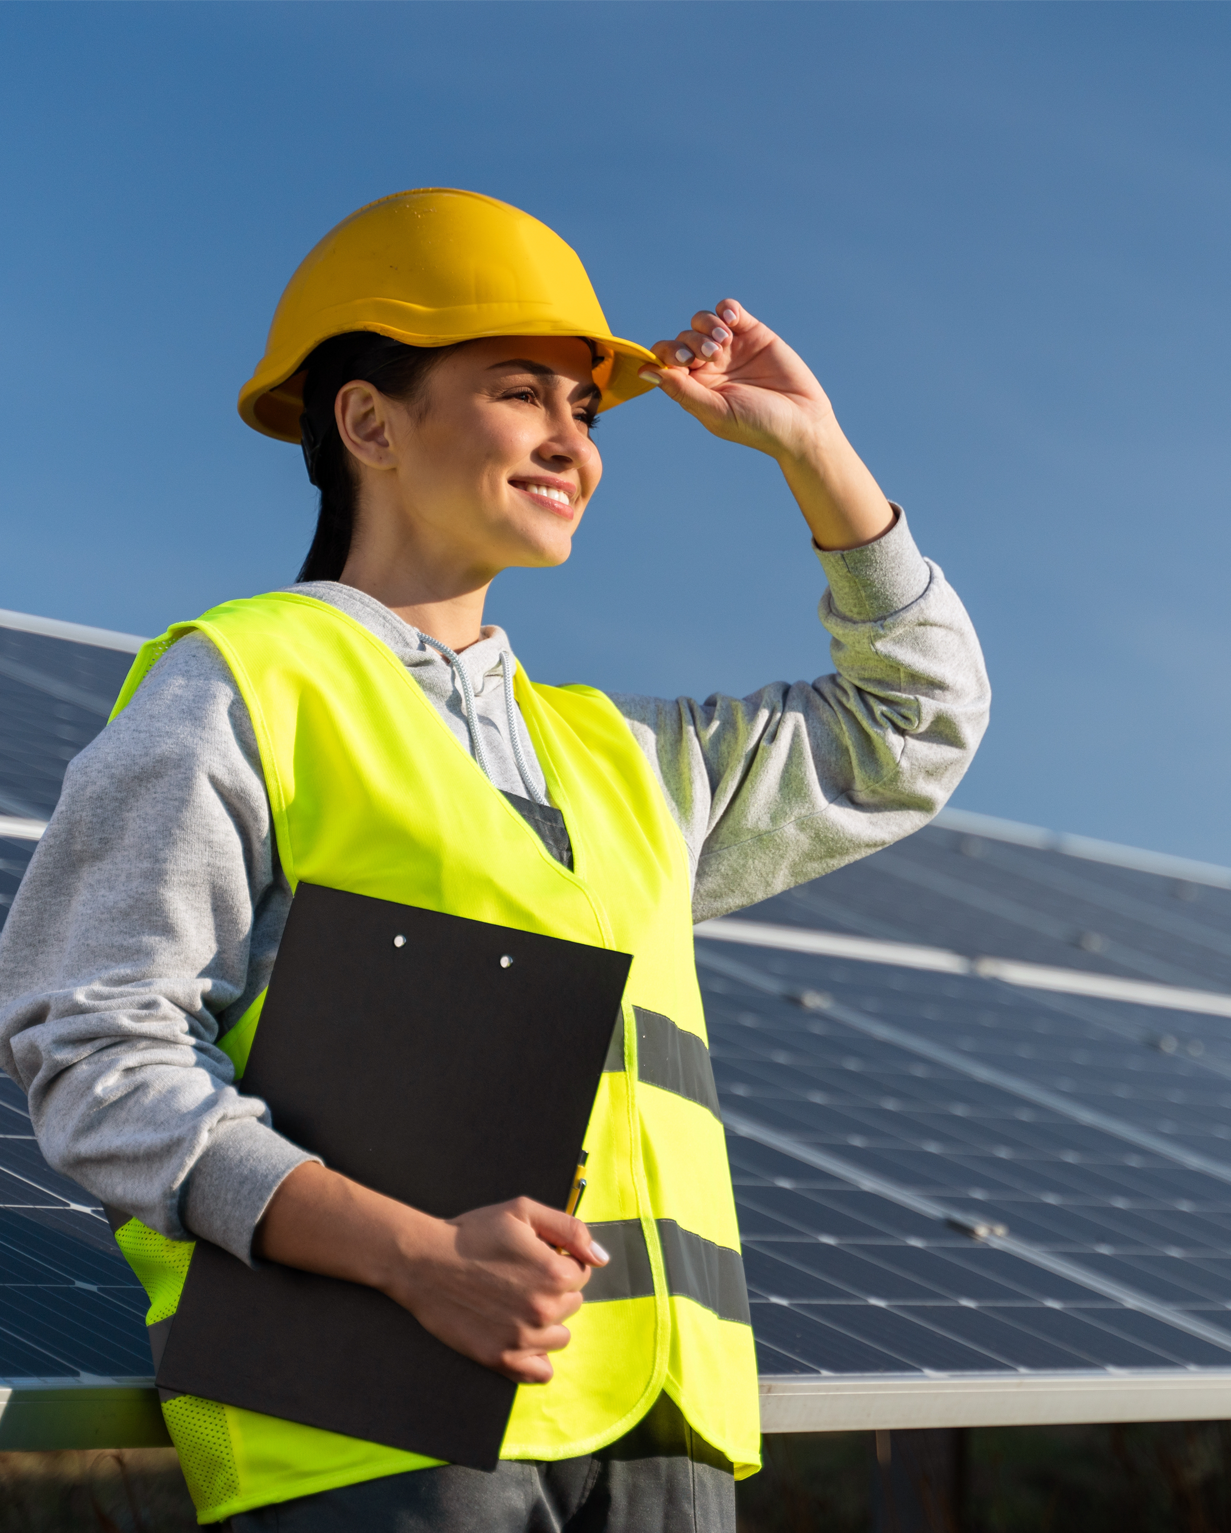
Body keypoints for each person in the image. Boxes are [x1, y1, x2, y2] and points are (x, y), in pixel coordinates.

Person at [0, 188, 990, 1531]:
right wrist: (412, 1258)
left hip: (657, 1438)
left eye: (585, 410)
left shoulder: (617, 758)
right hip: (371, 1438)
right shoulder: (238, 684)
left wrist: (818, 457)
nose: (571, 440)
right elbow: (94, 1048)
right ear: (367, 423)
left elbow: (909, 730)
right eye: (522, 391)